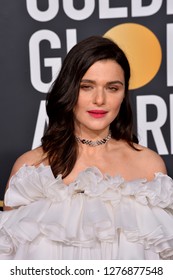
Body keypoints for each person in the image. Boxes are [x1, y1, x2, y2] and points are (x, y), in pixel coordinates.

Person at [0, 35, 173, 260]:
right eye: (86, 86)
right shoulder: (30, 170)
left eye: (112, 88)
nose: (99, 99)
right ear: (69, 89)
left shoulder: (149, 166)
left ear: (123, 94)